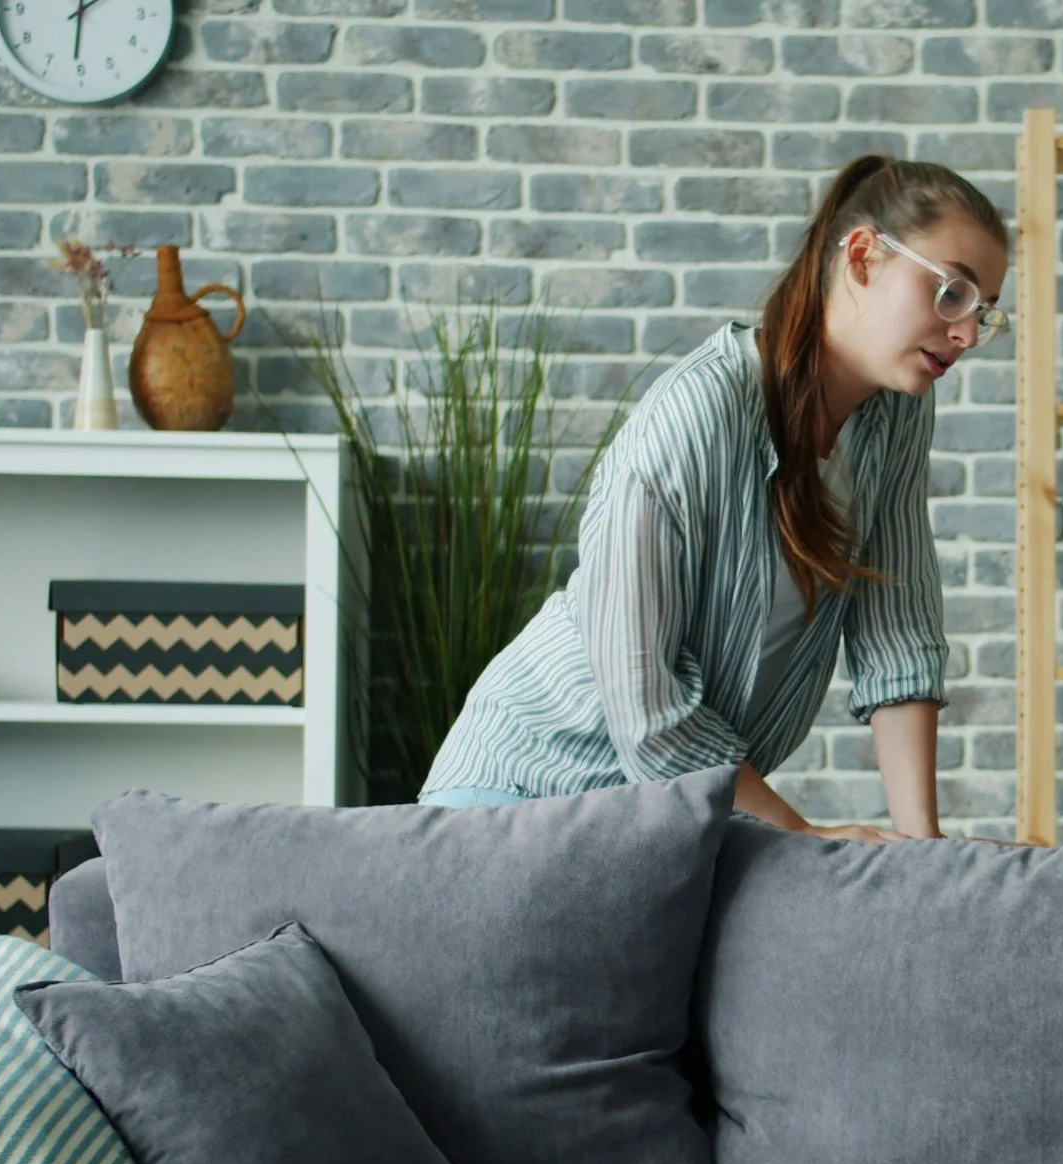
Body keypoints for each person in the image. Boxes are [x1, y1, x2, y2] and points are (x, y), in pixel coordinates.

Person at [417, 155, 1009, 842]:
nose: (967, 334)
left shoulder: (897, 414)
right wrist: (808, 838)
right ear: (862, 257)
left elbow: (897, 633)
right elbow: (647, 709)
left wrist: (923, 852)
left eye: (985, 314)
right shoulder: (699, 413)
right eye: (952, 295)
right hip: (522, 796)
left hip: (668, 815)